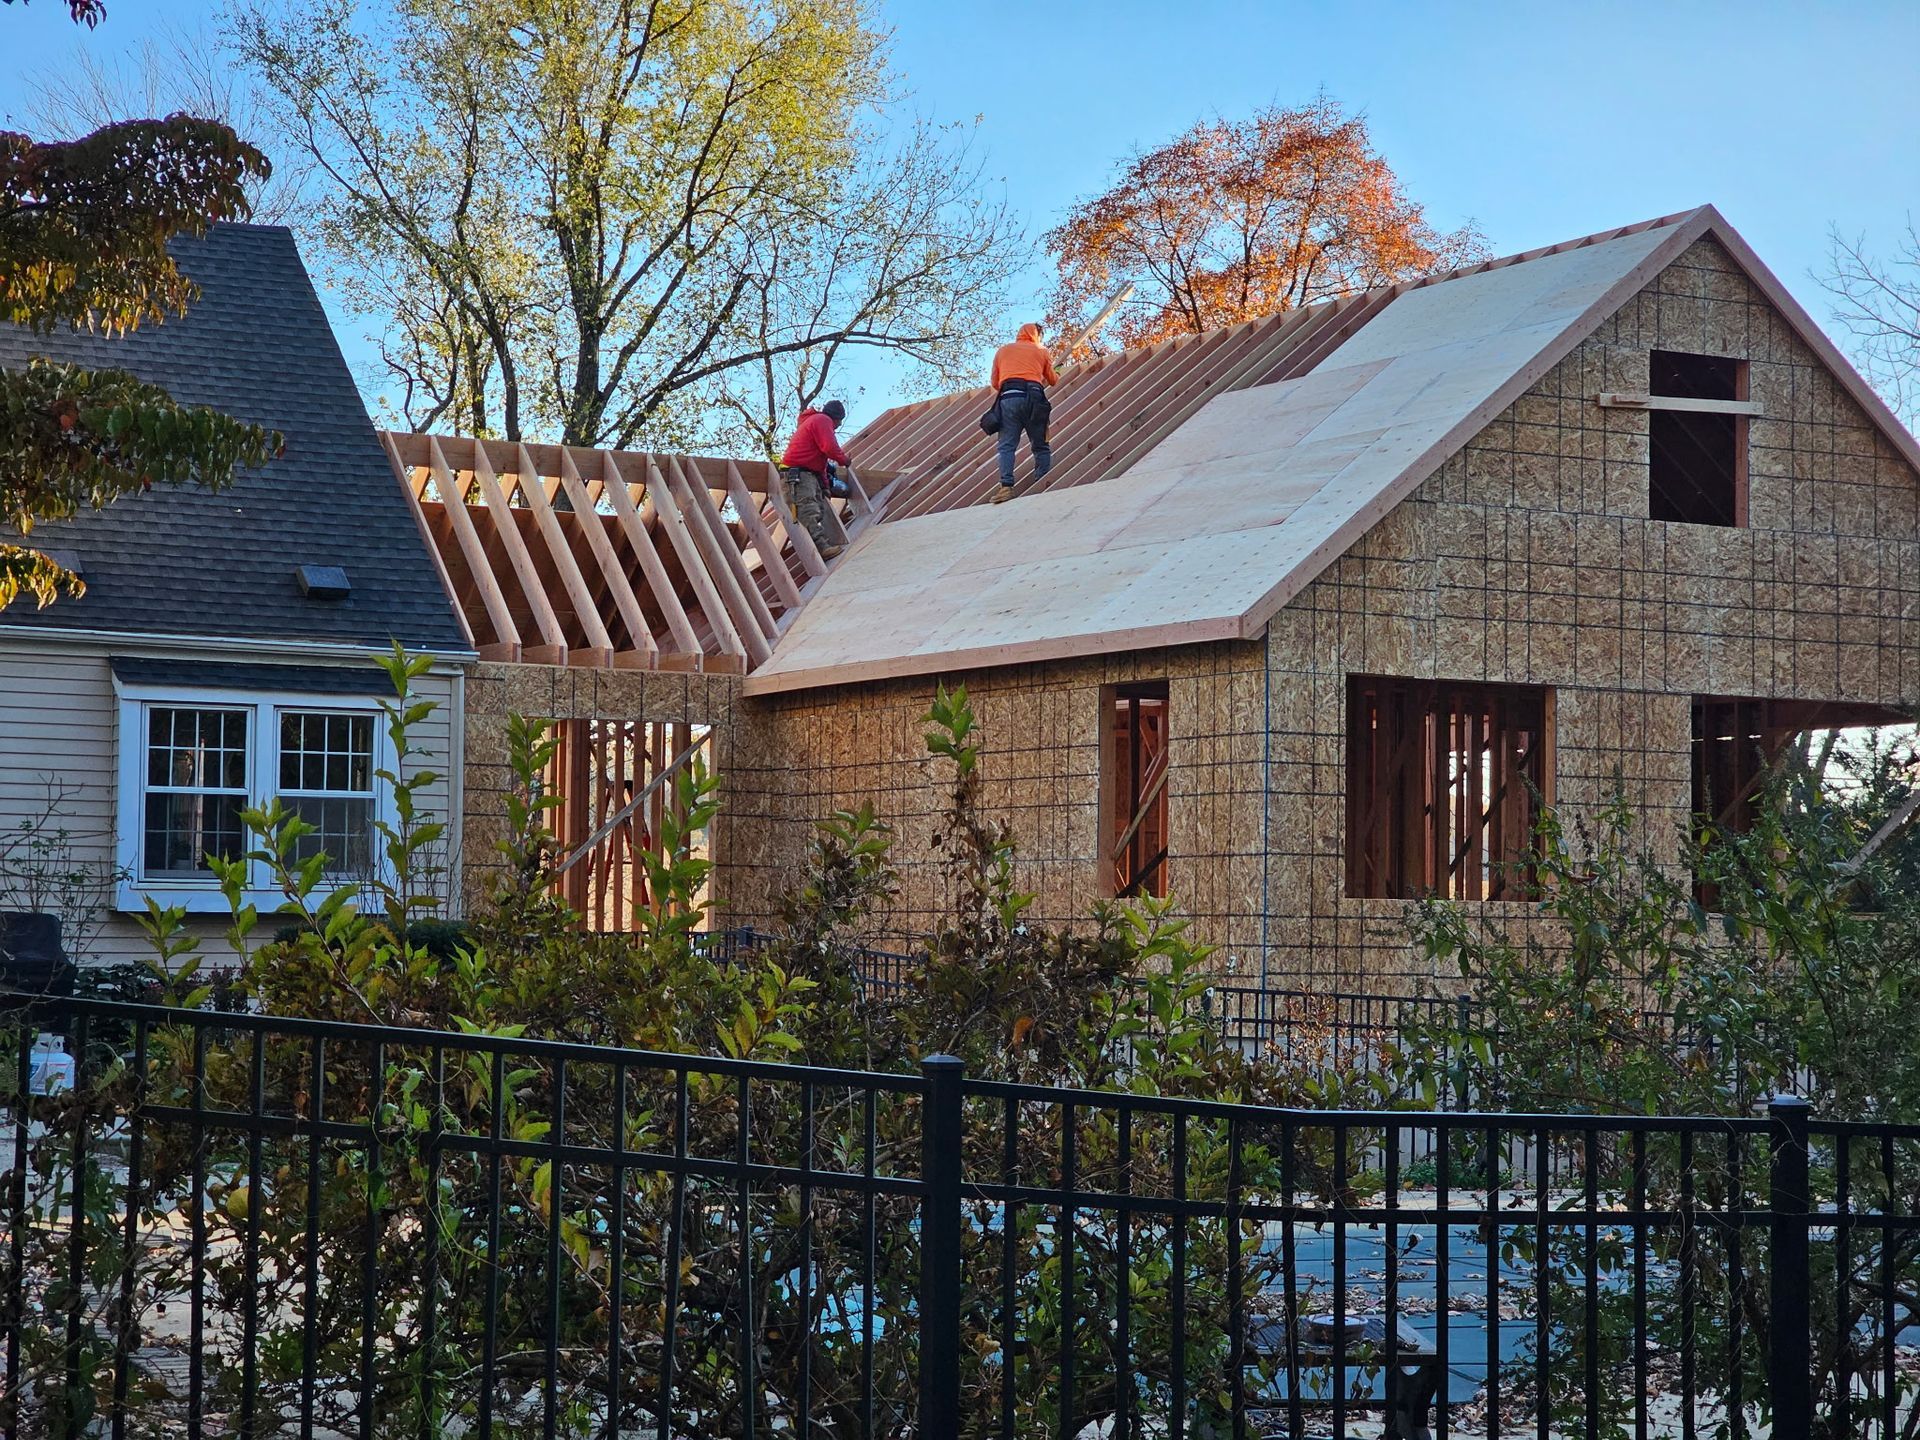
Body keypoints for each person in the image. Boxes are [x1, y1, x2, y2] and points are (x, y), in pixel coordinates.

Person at [988, 322, 1058, 502]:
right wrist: (1053, 372)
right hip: (1035, 399)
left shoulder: (1003, 351)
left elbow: (996, 383)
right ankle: (1043, 481)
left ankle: (1006, 488)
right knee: (1040, 443)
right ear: (1037, 335)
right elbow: (1052, 380)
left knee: (1006, 446)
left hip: (1009, 398)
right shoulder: (1041, 350)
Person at [780, 399, 850, 558]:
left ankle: (823, 545)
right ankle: (821, 549)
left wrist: (825, 486)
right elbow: (830, 448)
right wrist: (844, 460)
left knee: (818, 507)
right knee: (807, 510)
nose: (838, 425)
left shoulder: (817, 422)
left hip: (808, 474)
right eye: (839, 421)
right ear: (836, 417)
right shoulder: (822, 420)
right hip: (797, 475)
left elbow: (821, 463)